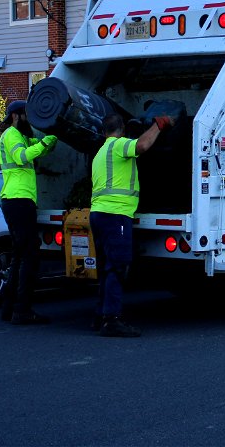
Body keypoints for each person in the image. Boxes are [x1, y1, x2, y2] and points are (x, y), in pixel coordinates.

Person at [90, 112, 172, 337]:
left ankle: (101, 315)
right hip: (115, 215)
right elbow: (143, 145)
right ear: (122, 130)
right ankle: (112, 320)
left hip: (99, 215)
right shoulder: (118, 145)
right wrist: (159, 124)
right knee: (118, 267)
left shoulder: (100, 152)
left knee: (107, 268)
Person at [0, 100, 58, 324]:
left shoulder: (20, 136)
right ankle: (22, 309)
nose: (28, 119)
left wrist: (50, 139)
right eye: (25, 115)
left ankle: (9, 308)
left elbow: (37, 144)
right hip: (18, 200)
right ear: (15, 115)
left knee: (20, 255)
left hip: (17, 201)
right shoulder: (12, 135)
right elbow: (22, 157)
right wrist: (45, 144)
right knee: (29, 255)